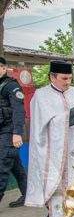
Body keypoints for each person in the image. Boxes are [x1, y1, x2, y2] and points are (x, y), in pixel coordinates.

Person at [25, 61, 74, 217]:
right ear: (52, 77)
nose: (68, 82)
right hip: (54, 154)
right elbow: (45, 127)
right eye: (64, 78)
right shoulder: (41, 96)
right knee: (59, 190)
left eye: (70, 78)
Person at [0, 56, 27, 208]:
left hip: (9, 132)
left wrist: (17, 133)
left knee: (2, 166)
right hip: (2, 131)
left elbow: (18, 110)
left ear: (4, 69)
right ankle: (28, 193)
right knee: (15, 166)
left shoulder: (11, 86)